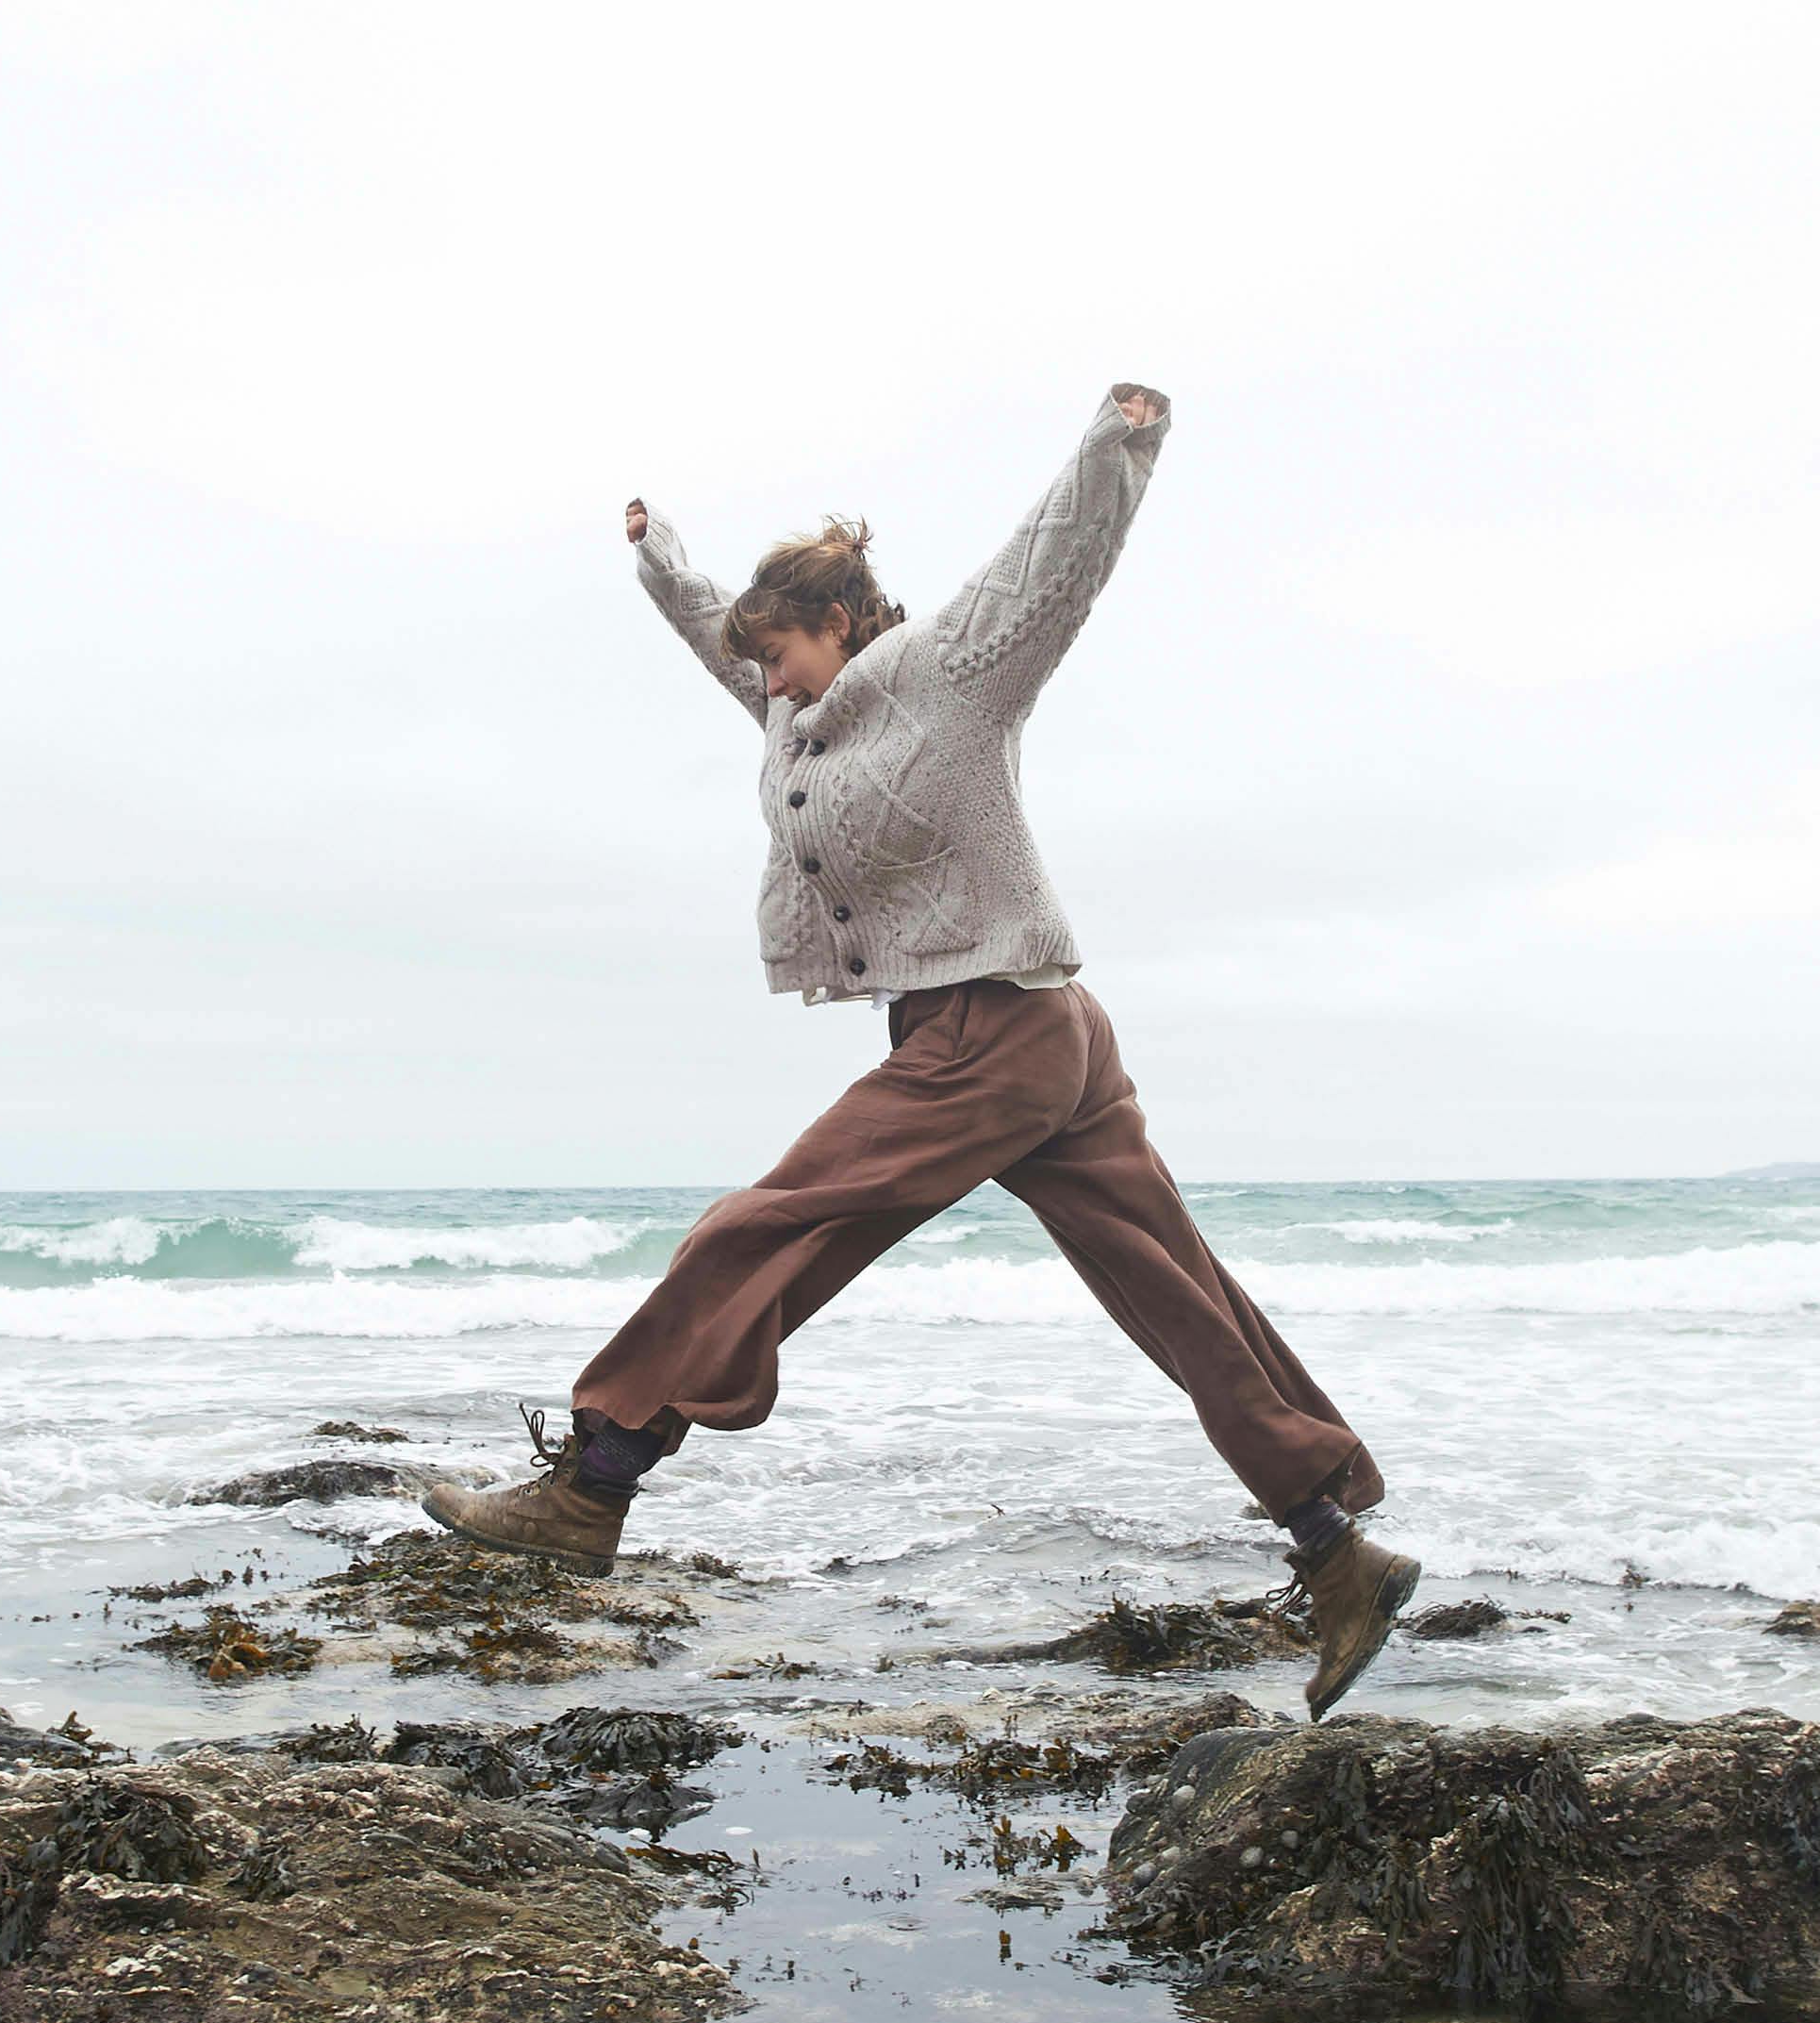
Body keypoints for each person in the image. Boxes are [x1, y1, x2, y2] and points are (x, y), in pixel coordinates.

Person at [426, 381, 1421, 1720]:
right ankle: (1336, 1552)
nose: (765, 682)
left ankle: (591, 1486)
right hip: (1044, 1036)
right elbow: (718, 645)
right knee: (1174, 1293)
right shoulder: (801, 713)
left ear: (840, 623)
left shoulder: (952, 676)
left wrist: (1116, 444)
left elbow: (1048, 573)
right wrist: (661, 557)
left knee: (765, 1225)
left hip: (993, 1032)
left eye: (780, 653)